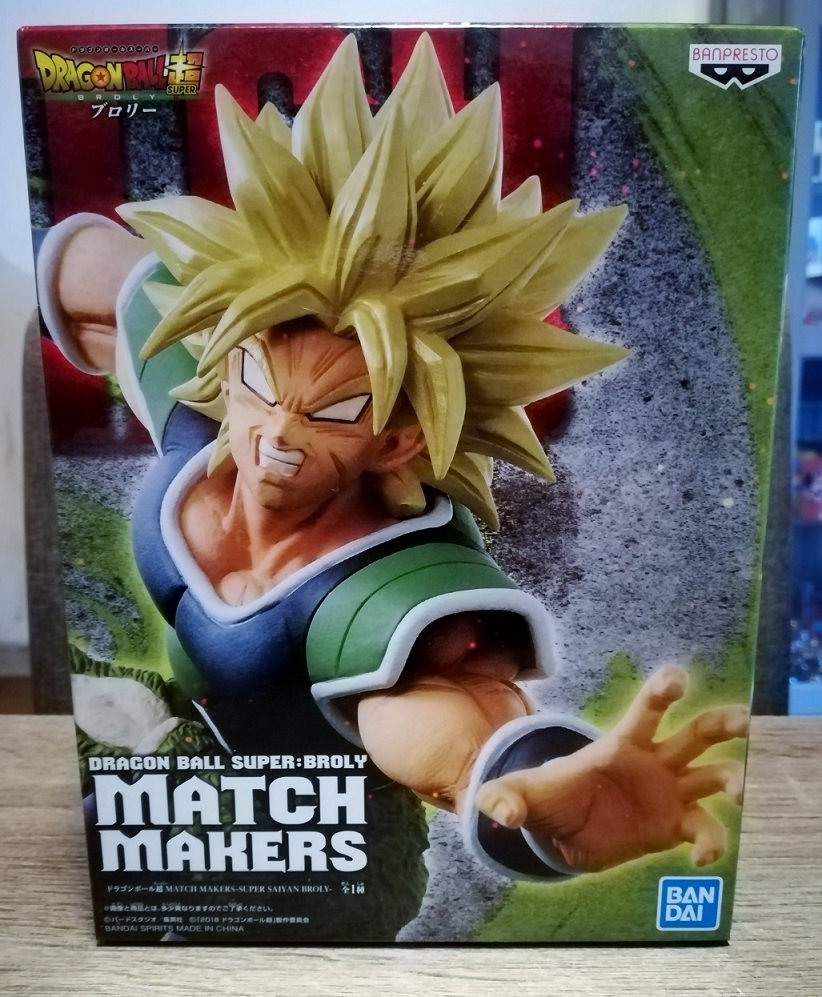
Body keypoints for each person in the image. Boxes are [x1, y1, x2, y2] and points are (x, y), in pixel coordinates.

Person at [37, 33, 747, 883]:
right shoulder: (211, 407)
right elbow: (99, 281)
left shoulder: (389, 583)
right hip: (174, 758)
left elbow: (456, 712)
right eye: (257, 380)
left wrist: (545, 786)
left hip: (324, 847)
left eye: (336, 411)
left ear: (400, 438)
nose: (278, 433)